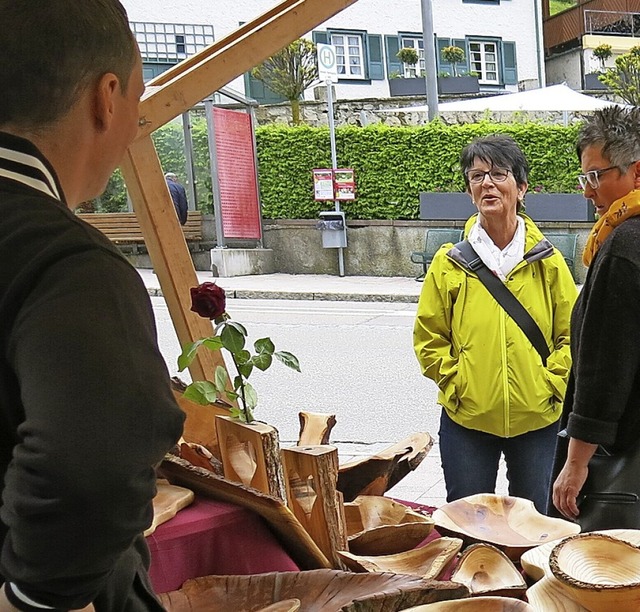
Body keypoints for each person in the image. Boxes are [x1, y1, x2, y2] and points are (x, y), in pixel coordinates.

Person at [0, 2, 185, 611]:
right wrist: (40, 598)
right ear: (108, 98)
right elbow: (95, 462)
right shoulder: (67, 263)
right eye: (138, 94)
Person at [413, 135, 577, 513]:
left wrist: (551, 383)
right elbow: (428, 336)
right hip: (467, 419)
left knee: (534, 528)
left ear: (521, 188)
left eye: (498, 174)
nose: (487, 183)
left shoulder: (547, 261)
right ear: (470, 191)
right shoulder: (449, 262)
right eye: (476, 176)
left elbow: (572, 335)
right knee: (471, 530)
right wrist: (457, 384)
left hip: (538, 419)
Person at [552, 106, 640, 523]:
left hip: (624, 450)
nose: (587, 191)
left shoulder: (625, 245)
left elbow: (605, 366)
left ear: (636, 173)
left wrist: (576, 461)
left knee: (609, 575)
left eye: (595, 175)